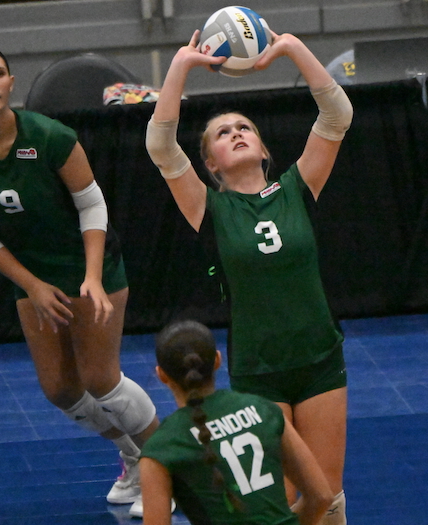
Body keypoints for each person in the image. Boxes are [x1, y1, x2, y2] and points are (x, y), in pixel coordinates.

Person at [0, 44, 159, 510]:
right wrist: (32, 284)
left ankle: (165, 471)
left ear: (11, 83)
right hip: (33, 276)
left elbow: (92, 204)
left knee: (100, 379)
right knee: (60, 389)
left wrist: (92, 277)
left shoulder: (50, 136)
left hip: (89, 266)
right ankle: (133, 455)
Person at [145, 29, 352, 524]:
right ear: (210, 164)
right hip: (259, 367)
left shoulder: (297, 187)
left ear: (262, 149)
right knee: (277, 502)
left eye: (244, 128)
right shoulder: (209, 208)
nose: (236, 133)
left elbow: (337, 115)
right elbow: (160, 145)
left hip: (320, 358)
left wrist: (291, 48)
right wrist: (181, 66)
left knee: (327, 497)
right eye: (222, 133)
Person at [140, 319, 333, 525]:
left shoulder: (160, 448)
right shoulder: (264, 409)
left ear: (161, 375)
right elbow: (321, 497)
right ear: (217, 360)